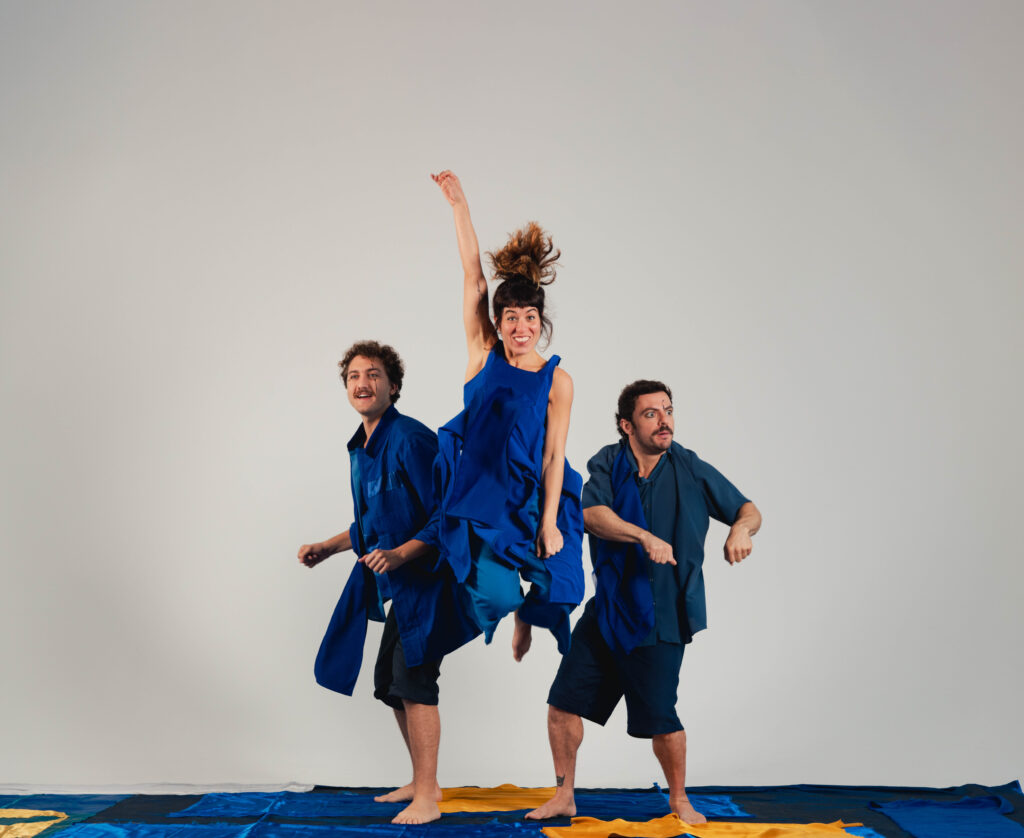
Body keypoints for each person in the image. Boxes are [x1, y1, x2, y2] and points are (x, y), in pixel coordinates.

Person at [526, 380, 762, 824]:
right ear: (627, 425)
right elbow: (592, 515)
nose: (664, 420)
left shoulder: (690, 467)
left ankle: (679, 800)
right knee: (562, 706)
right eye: (651, 413)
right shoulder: (608, 461)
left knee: (661, 718)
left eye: (668, 410)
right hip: (609, 609)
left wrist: (740, 529)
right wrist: (643, 536)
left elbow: (748, 509)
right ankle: (564, 796)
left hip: (665, 614)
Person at [298, 341, 475, 826]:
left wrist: (400, 554)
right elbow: (373, 521)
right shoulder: (361, 448)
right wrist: (327, 547)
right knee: (389, 682)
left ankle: (428, 798)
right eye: (354, 376)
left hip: (434, 580)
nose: (363, 383)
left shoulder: (411, 439)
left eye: (373, 374)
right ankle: (423, 781)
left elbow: (448, 514)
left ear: (393, 387)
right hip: (406, 587)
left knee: (414, 681)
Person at [415, 169, 586, 661]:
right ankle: (511, 610)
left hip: (536, 497)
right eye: (511, 317)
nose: (521, 326)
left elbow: (554, 456)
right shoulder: (483, 354)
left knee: (564, 590)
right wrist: (459, 206)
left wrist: (549, 523)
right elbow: (474, 278)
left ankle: (530, 616)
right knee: (496, 596)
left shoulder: (557, 381)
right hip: (486, 501)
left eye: (530, 318)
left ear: (541, 322)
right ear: (498, 321)